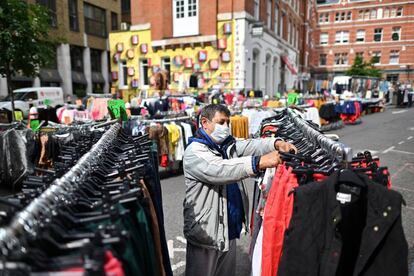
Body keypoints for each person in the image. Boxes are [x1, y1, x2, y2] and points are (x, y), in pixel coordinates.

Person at [183, 104, 297, 276]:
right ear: (204, 123)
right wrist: (260, 162)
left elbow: (251, 145)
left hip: (227, 229)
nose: (226, 127)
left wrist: (276, 143)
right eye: (221, 122)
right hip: (206, 234)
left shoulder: (226, 146)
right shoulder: (195, 152)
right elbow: (221, 169)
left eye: (228, 122)